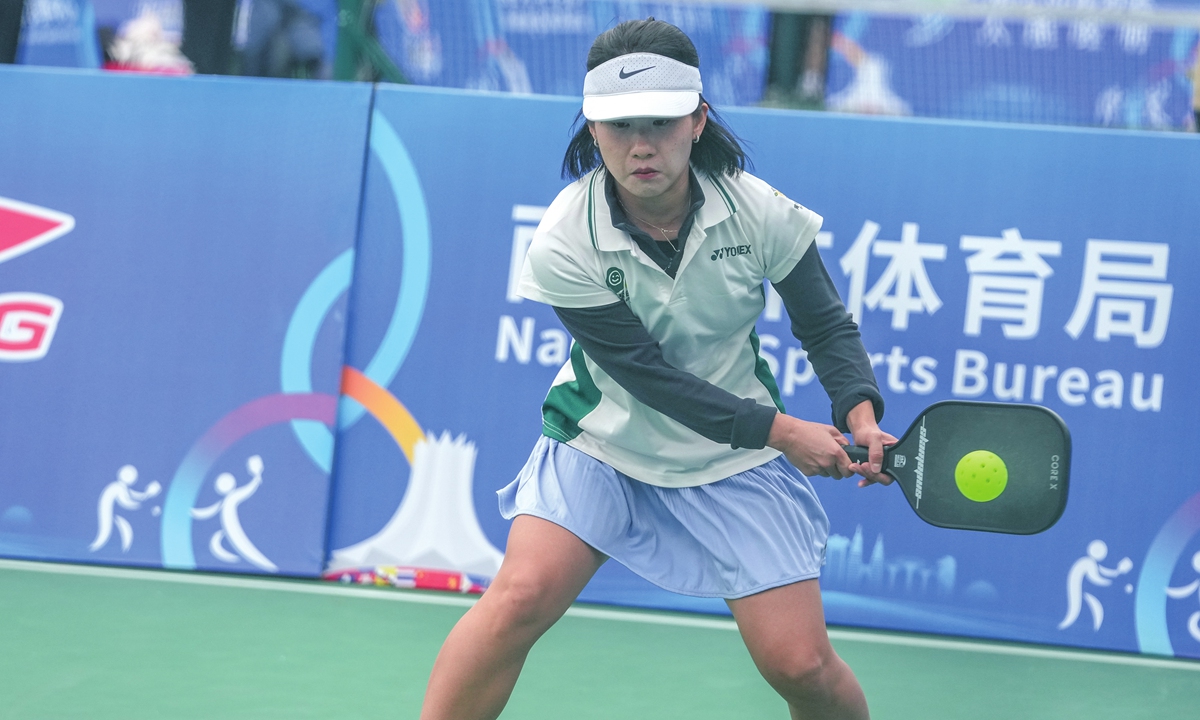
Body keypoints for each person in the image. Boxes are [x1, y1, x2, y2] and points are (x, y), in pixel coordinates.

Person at [420, 18, 894, 720]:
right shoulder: (565, 240)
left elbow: (824, 325)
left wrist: (861, 415)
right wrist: (784, 432)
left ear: (698, 120)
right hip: (602, 444)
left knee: (801, 666)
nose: (641, 145)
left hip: (733, 458)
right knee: (519, 598)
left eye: (661, 122)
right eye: (619, 126)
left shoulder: (756, 210)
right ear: (592, 128)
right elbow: (646, 375)